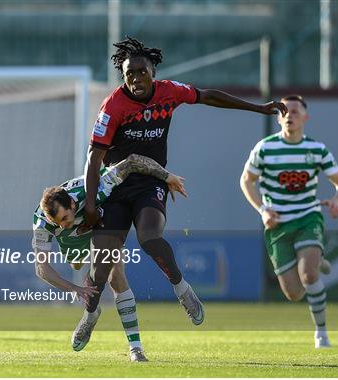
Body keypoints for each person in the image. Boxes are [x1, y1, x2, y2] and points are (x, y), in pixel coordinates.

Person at [79, 36, 288, 346]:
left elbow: (208, 96)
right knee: (100, 270)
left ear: (153, 69)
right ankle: (90, 316)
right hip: (115, 187)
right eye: (129, 73)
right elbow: (94, 157)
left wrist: (258, 108)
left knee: (150, 238)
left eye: (141, 71)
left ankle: (182, 289)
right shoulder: (113, 106)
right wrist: (92, 205)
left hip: (151, 182)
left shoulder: (169, 92)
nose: (136, 78)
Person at [32, 153, 187, 362]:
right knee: (78, 266)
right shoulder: (42, 222)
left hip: (99, 226)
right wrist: (75, 289)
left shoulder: (93, 188)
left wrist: (167, 177)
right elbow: (42, 269)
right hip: (71, 242)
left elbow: (131, 162)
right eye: (57, 222)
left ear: (71, 202)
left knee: (116, 276)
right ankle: (91, 314)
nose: (62, 224)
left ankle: (135, 348)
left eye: (65, 218)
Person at [240, 94, 338, 348]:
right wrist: (263, 210)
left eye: (295, 111)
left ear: (305, 117)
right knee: (293, 293)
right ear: (278, 118)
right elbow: (246, 181)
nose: (289, 115)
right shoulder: (265, 148)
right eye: (284, 111)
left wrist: (337, 201)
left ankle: (321, 333)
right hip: (277, 224)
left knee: (309, 274)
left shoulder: (316, 149)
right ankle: (317, 259)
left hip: (307, 217)